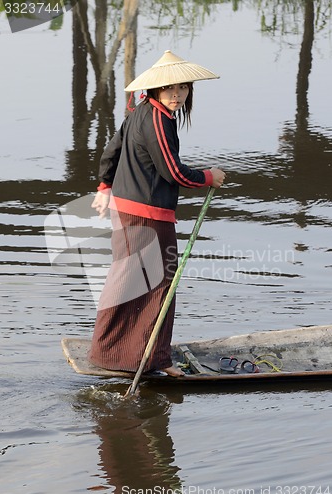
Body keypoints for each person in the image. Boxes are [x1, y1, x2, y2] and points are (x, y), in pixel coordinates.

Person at [88, 50, 226, 377]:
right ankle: (154, 359)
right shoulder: (158, 119)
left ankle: (109, 352)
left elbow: (112, 151)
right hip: (148, 217)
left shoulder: (138, 111)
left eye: (183, 88)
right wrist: (209, 176)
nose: (177, 95)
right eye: (170, 89)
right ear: (155, 90)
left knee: (127, 279)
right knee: (161, 282)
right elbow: (172, 172)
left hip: (126, 210)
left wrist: (105, 187)